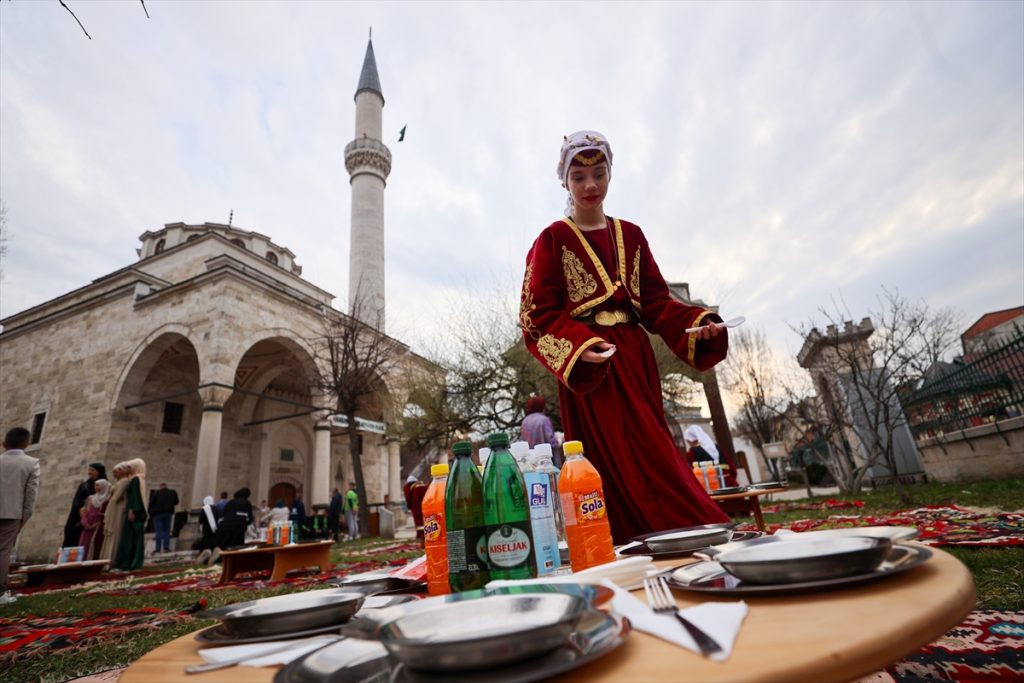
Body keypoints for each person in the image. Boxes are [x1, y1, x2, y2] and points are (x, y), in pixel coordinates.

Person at [519, 130, 731, 543]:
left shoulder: (631, 235)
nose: (590, 185)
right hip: (591, 366)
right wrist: (580, 346)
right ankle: (628, 541)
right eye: (579, 177)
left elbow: (656, 302)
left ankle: (685, 531)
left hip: (634, 356)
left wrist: (698, 323)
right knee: (608, 456)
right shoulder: (552, 239)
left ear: (611, 174)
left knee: (651, 445)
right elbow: (535, 314)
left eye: (599, 174)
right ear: (565, 181)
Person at [0, 427, 40, 605]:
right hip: (12, 512)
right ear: (27, 444)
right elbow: (31, 494)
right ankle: (0, 592)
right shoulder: (31, 463)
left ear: (4, 443)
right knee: (3, 551)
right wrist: (25, 516)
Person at [115, 459, 148, 570]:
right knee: (135, 538)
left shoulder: (136, 480)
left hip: (134, 513)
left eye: (129, 467)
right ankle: (132, 562)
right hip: (137, 512)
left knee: (130, 538)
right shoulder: (140, 479)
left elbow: (135, 496)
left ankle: (128, 563)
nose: (127, 469)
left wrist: (132, 510)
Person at [63, 462, 106, 547]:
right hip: (79, 515)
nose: (89, 472)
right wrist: (80, 509)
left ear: (98, 471)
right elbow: (77, 500)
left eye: (92, 470)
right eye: (89, 470)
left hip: (93, 517)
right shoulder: (84, 485)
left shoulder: (104, 485)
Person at [99, 462, 130, 562]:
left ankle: (112, 558)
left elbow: (117, 496)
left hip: (118, 508)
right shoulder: (119, 482)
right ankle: (106, 558)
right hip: (114, 506)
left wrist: (109, 505)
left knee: (115, 531)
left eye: (115, 471)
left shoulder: (124, 481)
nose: (114, 474)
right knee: (110, 532)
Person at [79, 479, 111, 559]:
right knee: (85, 547)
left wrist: (98, 524)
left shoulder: (107, 499)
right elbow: (84, 512)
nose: (95, 487)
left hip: (98, 527)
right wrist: (87, 525)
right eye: (95, 485)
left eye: (98, 485)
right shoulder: (90, 498)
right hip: (88, 527)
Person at [215, 487, 254, 554]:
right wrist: (244, 524)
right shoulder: (246, 503)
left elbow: (224, 515)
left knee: (225, 546)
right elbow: (250, 518)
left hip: (225, 526)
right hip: (238, 527)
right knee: (236, 548)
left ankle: (219, 556)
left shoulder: (230, 502)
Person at [148, 482, 179, 554]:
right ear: (166, 486)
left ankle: (158, 549)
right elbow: (176, 502)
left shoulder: (156, 493)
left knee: (159, 531)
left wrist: (152, 512)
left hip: (158, 514)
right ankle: (166, 548)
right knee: (166, 531)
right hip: (168, 514)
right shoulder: (172, 492)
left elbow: (151, 503)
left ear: (160, 487)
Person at [195, 495, 220, 564]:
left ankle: (207, 554)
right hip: (215, 529)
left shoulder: (204, 508)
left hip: (206, 528)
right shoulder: (216, 508)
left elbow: (201, 520)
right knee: (213, 542)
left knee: (207, 542)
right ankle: (213, 553)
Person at [402, 475, 427, 540]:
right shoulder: (424, 486)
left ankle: (420, 535)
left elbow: (408, 498)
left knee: (419, 521)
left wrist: (409, 506)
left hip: (416, 505)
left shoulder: (408, 487)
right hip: (425, 505)